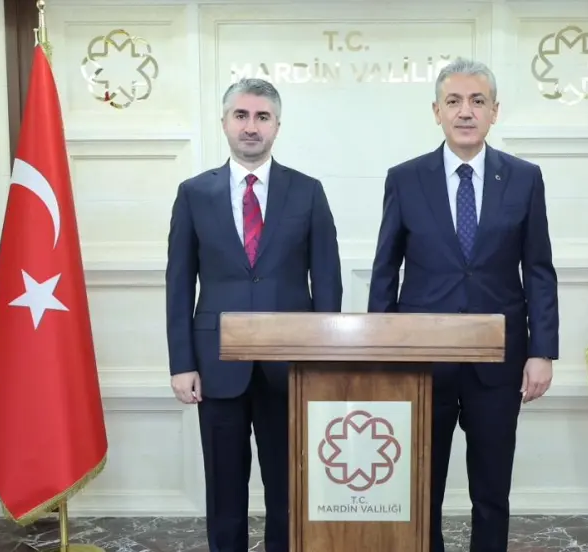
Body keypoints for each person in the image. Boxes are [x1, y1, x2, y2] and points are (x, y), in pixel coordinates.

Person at [367, 57, 559, 552]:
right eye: (453, 101)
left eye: (477, 101)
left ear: (495, 111)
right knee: (420, 490)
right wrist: (379, 351)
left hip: (499, 362)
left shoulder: (524, 178)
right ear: (437, 111)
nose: (465, 111)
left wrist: (542, 351)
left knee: (491, 492)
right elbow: (385, 269)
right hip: (421, 363)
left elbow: (538, 270)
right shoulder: (405, 179)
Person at [165, 77, 343, 552]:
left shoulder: (307, 192)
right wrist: (182, 363)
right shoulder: (193, 193)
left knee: (289, 490)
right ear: (224, 122)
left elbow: (327, 283)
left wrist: (324, 361)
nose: (251, 126)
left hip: (291, 365)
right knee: (224, 488)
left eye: (262, 117)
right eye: (241, 115)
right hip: (216, 364)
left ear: (277, 126)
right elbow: (179, 284)